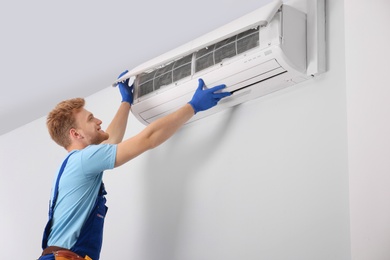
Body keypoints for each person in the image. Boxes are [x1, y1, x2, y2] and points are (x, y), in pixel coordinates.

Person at [38, 71, 231, 260]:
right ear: (76, 134)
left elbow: (111, 140)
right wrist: (193, 106)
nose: (98, 121)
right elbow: (148, 138)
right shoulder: (84, 159)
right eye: (90, 119)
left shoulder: (76, 162)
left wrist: (126, 102)